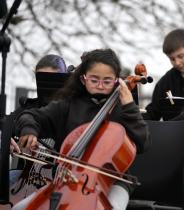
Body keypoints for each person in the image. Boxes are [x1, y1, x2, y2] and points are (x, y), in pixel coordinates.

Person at [11, 48, 150, 210]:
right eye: (94, 80)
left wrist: (129, 106)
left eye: (107, 81)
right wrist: (29, 130)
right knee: (20, 208)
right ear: (83, 79)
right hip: (65, 180)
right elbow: (31, 116)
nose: (100, 85)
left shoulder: (123, 109)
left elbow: (144, 143)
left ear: (116, 80)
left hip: (113, 183)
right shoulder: (68, 104)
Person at [0, 54, 67, 207]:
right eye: (41, 78)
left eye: (52, 79)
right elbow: (8, 125)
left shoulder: (70, 110)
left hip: (57, 178)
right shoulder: (29, 108)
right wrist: (5, 140)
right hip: (25, 177)